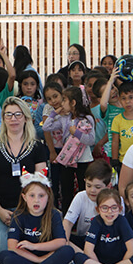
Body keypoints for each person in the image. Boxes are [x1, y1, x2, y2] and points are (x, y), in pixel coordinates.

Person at [0, 96, 47, 256]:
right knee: (1, 252)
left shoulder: (38, 148)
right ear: (3, 118)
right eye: (8, 115)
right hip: (0, 210)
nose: (13, 119)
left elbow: (40, 185)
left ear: (26, 118)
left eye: (18, 114)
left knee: (30, 248)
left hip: (30, 211)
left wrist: (27, 212)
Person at [0, 169, 74, 264]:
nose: (36, 200)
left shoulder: (54, 214)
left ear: (48, 196)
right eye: (32, 195)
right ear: (24, 197)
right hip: (27, 257)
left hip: (48, 255)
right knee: (3, 256)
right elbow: (12, 246)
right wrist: (38, 260)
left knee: (68, 251)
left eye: (41, 196)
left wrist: (34, 247)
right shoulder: (18, 215)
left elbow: (61, 242)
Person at [73, 188, 133, 264]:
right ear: (98, 210)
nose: (109, 211)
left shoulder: (122, 221)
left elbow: (132, 249)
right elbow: (88, 250)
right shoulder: (96, 221)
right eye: (104, 208)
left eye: (114, 207)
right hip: (98, 262)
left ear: (120, 209)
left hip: (120, 262)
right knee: (78, 257)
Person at [43, 86, 95, 214]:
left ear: (73, 102)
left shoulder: (87, 119)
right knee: (66, 190)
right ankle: (68, 217)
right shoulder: (64, 118)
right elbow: (46, 127)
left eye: (64, 100)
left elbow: (91, 140)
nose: (62, 103)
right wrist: (55, 113)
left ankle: (85, 216)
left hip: (83, 159)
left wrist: (76, 133)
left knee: (84, 189)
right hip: (67, 159)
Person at [63, 159, 112, 252]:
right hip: (83, 240)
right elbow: (68, 222)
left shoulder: (115, 200)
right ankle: (84, 257)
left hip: (105, 241)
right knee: (60, 237)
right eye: (88, 185)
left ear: (108, 186)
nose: (92, 190)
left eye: (97, 187)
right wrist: (64, 242)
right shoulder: (81, 196)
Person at [111, 82, 133, 174]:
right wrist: (114, 161)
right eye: (123, 98)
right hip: (125, 161)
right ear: (119, 99)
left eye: (131, 97)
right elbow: (115, 141)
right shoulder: (117, 119)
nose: (127, 101)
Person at [42, 81, 64, 209]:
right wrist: (51, 151)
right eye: (49, 98)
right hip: (54, 148)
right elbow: (46, 131)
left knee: (66, 180)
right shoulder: (48, 108)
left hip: (68, 148)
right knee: (54, 180)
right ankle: (54, 208)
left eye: (55, 96)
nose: (53, 101)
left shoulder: (68, 106)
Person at [17, 69, 44, 140]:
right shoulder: (16, 102)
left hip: (35, 138)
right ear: (20, 84)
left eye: (32, 84)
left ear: (37, 85)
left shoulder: (41, 103)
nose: (29, 87)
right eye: (25, 84)